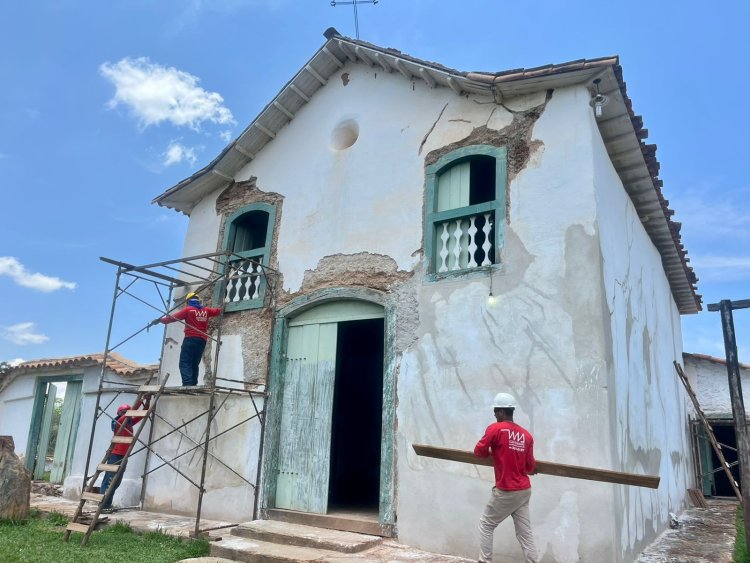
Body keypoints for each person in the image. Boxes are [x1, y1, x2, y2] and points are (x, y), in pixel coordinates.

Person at [474, 392, 539, 563]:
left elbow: (479, 452)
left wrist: (495, 451)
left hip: (507, 490)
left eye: (495, 411)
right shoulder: (526, 435)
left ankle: (484, 561)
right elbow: (530, 466)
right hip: (524, 490)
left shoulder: (495, 429)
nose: (494, 415)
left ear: (502, 412)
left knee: (486, 525)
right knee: (525, 533)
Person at [150, 292, 222, 386]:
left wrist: (160, 320)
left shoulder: (188, 310)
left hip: (190, 339)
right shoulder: (206, 310)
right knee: (194, 363)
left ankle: (188, 383)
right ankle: (193, 383)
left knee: (185, 362)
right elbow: (218, 311)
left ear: (188, 301)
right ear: (198, 300)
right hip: (202, 341)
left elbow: (172, 318)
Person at [100, 398, 149, 510]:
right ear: (120, 414)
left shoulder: (128, 424)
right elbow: (130, 414)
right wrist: (139, 401)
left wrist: (147, 401)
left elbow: (142, 414)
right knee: (109, 481)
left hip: (123, 456)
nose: (127, 414)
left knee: (116, 482)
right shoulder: (118, 422)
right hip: (115, 455)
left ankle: (107, 504)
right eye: (125, 412)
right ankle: (102, 505)